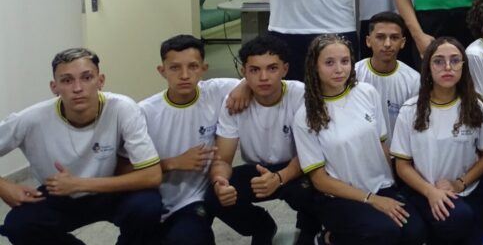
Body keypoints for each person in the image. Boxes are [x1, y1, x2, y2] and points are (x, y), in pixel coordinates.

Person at [0, 48, 162, 245]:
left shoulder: (123, 108)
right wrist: (4, 186)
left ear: (100, 81)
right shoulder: (31, 119)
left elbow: (152, 175)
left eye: (86, 78)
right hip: (59, 193)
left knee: (148, 207)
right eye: (67, 80)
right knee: (19, 225)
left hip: (109, 187)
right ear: (54, 87)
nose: (78, 88)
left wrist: (78, 183)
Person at [294, 35, 426, 244]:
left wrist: (393, 189)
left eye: (344, 61)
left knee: (414, 232)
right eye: (329, 63)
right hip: (339, 197)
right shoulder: (305, 115)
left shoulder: (367, 92)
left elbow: (383, 144)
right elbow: (319, 180)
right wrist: (372, 200)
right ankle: (329, 238)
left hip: (381, 186)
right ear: (314, 67)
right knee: (384, 232)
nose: (339, 69)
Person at [209, 35, 321, 244]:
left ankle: (309, 231)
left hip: (296, 168)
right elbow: (223, 160)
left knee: (314, 185)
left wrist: (279, 178)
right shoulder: (233, 102)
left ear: (285, 69)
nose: (264, 77)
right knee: (212, 195)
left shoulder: (301, 95)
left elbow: (311, 153)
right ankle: (262, 225)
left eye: (272, 68)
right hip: (257, 169)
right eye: (254, 70)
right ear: (244, 73)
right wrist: (220, 182)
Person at [138, 35, 241, 245]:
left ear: (204, 69)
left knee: (189, 239)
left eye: (193, 66)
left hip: (194, 200)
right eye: (175, 68)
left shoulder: (215, 92)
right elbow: (124, 169)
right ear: (162, 70)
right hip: (152, 200)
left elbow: (255, 80)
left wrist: (245, 87)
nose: (184, 75)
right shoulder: (144, 112)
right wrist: (174, 162)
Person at [392, 37, 483, 244]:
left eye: (455, 60)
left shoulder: (475, 107)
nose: (447, 67)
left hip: (464, 191)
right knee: (444, 222)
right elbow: (402, 165)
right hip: (423, 191)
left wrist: (459, 184)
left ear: (464, 67)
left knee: (475, 230)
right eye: (438, 61)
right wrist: (430, 192)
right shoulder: (410, 109)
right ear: (428, 67)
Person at [354, 12, 421, 137]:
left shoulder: (414, 79)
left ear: (403, 42)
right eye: (380, 37)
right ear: (368, 41)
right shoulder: (354, 73)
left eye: (394, 38)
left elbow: (414, 125)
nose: (387, 44)